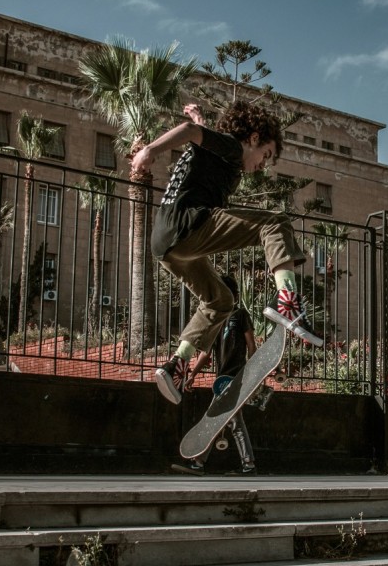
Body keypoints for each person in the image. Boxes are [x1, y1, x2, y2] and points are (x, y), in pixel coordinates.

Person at [132, 100, 322, 405]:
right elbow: (191, 131)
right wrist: (150, 150)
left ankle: (176, 366)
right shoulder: (234, 148)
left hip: (165, 245)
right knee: (275, 223)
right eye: (266, 155)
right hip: (189, 226)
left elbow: (198, 132)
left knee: (221, 300)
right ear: (255, 138)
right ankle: (287, 301)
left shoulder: (216, 149)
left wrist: (198, 118)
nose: (263, 164)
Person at [171, 274, 259, 476]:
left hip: (237, 377)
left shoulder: (241, 315)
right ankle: (247, 464)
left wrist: (251, 374)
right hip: (221, 380)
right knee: (231, 421)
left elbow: (252, 345)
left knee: (215, 418)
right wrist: (192, 374)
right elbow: (205, 352)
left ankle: (199, 463)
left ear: (233, 295)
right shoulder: (217, 320)